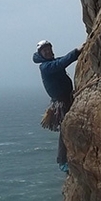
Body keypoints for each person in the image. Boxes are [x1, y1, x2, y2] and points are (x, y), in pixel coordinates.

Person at [33, 40, 83, 172]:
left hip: (67, 98)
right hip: (61, 102)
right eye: (45, 51)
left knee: (67, 128)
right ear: (41, 54)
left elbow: (62, 60)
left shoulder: (50, 63)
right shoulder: (45, 67)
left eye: (49, 49)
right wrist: (77, 51)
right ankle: (62, 161)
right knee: (65, 129)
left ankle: (65, 158)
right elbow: (61, 63)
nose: (48, 52)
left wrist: (78, 53)